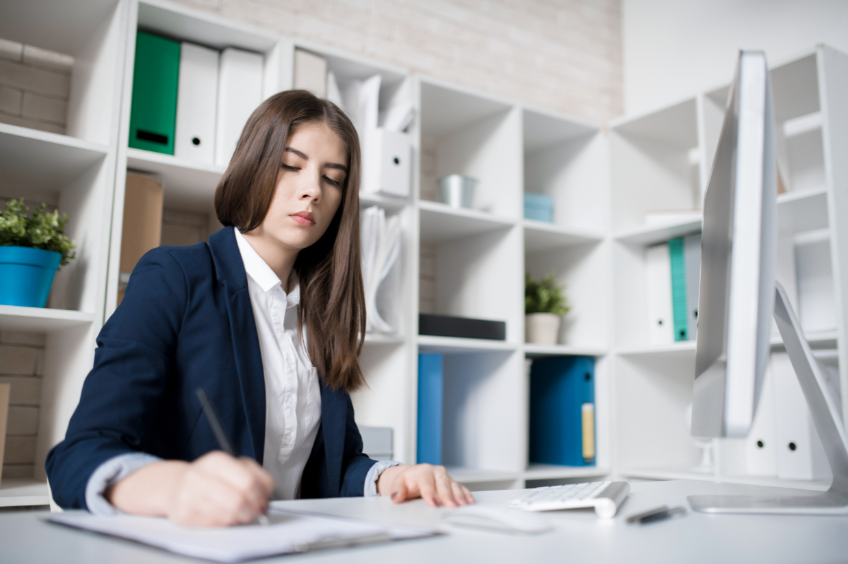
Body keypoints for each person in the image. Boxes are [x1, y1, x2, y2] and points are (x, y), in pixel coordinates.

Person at [46, 90, 473, 527]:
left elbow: (334, 468)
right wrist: (174, 487)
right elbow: (78, 457)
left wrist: (393, 477)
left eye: (333, 178)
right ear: (255, 164)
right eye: (292, 165)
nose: (312, 190)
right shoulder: (173, 277)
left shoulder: (321, 312)